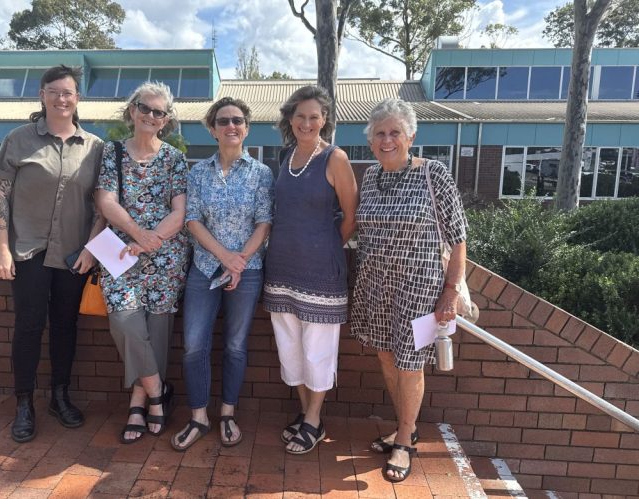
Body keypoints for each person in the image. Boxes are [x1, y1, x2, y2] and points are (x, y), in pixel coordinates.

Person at [350, 98, 468, 482]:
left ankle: (404, 441)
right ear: (370, 141)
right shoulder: (370, 176)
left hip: (419, 288)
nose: (387, 140)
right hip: (375, 285)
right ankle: (407, 426)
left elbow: (458, 238)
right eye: (380, 134)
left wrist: (451, 292)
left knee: (410, 363)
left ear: (410, 136)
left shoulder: (434, 174)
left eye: (395, 132)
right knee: (387, 357)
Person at [0, 65, 105, 443]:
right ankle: (24, 403)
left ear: (77, 98)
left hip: (74, 255)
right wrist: (2, 249)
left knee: (65, 326)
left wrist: (92, 248)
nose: (60, 98)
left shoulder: (94, 147)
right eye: (53, 91)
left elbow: (101, 206)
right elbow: (0, 197)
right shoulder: (18, 140)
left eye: (67, 92)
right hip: (28, 251)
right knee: (28, 326)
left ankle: (60, 396)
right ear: (42, 95)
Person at [170, 97, 274, 451]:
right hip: (204, 268)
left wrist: (239, 261)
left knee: (235, 345)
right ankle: (199, 416)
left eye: (238, 120)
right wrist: (225, 257)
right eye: (224, 121)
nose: (231, 126)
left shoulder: (261, 173)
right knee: (193, 345)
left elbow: (264, 222)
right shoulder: (198, 172)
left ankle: (227, 413)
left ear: (247, 128)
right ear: (213, 130)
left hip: (248, 270)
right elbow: (192, 220)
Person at [262, 85, 358, 455]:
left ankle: (314, 420)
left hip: (320, 274)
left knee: (318, 350)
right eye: (300, 116)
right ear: (290, 119)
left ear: (325, 120)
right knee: (290, 349)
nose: (306, 122)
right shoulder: (286, 156)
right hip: (282, 269)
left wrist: (326, 245)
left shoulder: (335, 158)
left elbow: (351, 216)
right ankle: (306, 415)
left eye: (314, 116)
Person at [94, 81, 190, 444]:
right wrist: (137, 235)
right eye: (145, 108)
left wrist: (152, 240)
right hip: (118, 252)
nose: (151, 115)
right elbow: (105, 201)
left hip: (166, 255)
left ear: (166, 120)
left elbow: (180, 211)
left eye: (158, 112)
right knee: (125, 321)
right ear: (132, 111)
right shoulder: (113, 152)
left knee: (156, 332)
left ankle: (138, 402)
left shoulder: (174, 159)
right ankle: (157, 392)